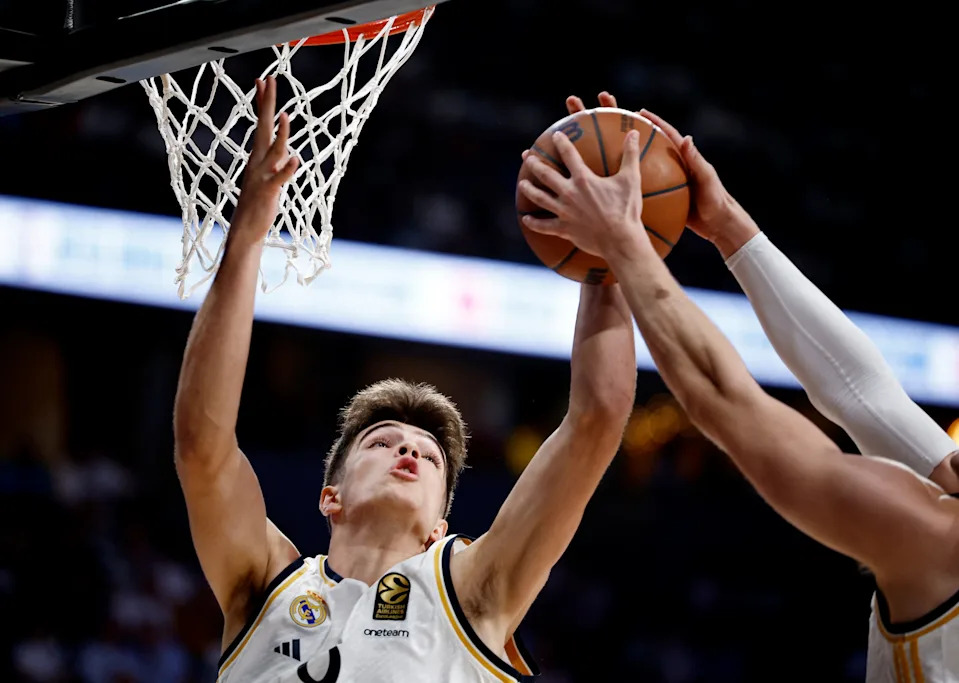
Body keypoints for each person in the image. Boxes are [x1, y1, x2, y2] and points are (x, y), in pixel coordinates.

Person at [174, 77, 638, 683]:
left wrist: (608, 261)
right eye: (383, 442)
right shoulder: (265, 583)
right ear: (329, 497)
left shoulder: (473, 591)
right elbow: (202, 448)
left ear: (439, 530)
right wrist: (249, 235)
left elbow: (598, 417)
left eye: (428, 456)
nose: (409, 453)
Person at [519, 93, 959, 683]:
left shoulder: (936, 542)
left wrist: (625, 241)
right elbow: (863, 393)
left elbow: (724, 402)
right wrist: (729, 226)